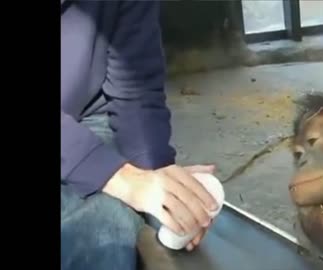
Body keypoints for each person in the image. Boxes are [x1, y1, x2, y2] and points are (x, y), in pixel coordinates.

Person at [61, 1, 217, 269]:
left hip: (87, 112)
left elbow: (135, 88)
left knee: (111, 221)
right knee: (102, 227)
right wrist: (119, 178)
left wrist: (157, 175)